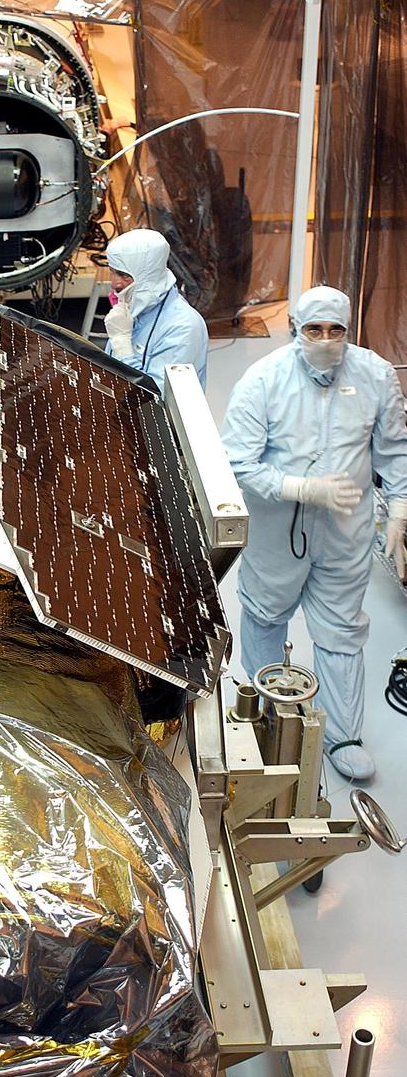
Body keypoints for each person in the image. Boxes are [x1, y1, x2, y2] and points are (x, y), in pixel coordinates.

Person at [222, 284, 407, 781]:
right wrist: (298, 487)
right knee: (265, 614)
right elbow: (236, 462)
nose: (325, 340)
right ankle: (265, 717)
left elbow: (394, 448)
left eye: (335, 330)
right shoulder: (264, 380)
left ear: (349, 329)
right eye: (313, 330)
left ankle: (342, 735)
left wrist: (400, 506)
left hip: (347, 527)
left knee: (342, 629)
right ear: (295, 329)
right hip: (277, 525)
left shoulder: (375, 375)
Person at [104, 229, 208, 391]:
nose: (114, 284)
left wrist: (122, 346)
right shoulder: (133, 311)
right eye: (112, 271)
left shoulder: (183, 327)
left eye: (124, 275)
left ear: (148, 277)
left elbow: (155, 398)